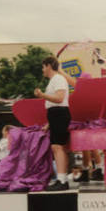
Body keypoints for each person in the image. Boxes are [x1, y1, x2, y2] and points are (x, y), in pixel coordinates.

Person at [34, 56, 71, 191]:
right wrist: (49, 123)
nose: (42, 70)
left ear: (49, 65)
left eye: (43, 67)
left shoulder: (58, 79)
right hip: (55, 115)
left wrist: (42, 95)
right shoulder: (54, 80)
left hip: (59, 113)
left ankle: (62, 180)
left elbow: (60, 98)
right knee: (58, 147)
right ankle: (62, 178)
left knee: (58, 147)